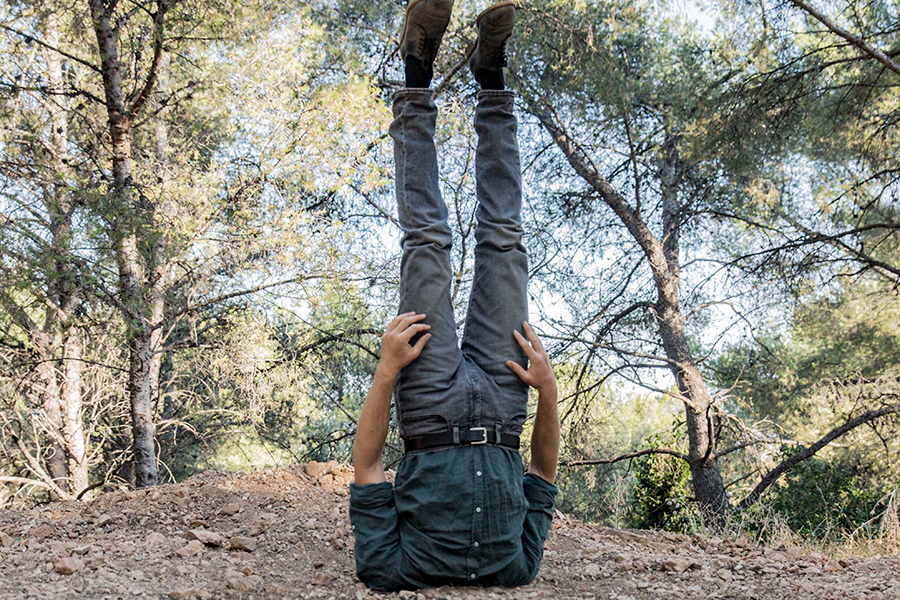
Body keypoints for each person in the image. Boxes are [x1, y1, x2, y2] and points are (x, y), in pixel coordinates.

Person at [348, 0, 560, 591]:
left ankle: (416, 71)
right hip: (505, 400)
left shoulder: (390, 570)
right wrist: (547, 390)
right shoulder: (518, 569)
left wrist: (387, 371)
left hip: (427, 402)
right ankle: (492, 78)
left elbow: (367, 467)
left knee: (426, 241)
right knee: (504, 242)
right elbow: (544, 473)